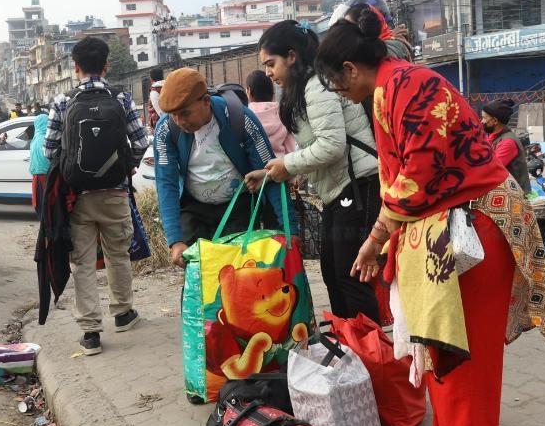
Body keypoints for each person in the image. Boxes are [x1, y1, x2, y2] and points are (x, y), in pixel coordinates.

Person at [315, 4, 545, 426]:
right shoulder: (392, 87)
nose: (337, 93)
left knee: (464, 343)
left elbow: (417, 178)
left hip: (476, 224)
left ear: (349, 69)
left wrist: (373, 239)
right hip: (445, 226)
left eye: (334, 82)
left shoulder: (411, 88)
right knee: (433, 333)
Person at [245, 20, 381, 322]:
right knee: (334, 274)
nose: (268, 72)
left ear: (292, 56)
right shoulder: (305, 88)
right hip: (341, 190)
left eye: (271, 63)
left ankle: (372, 353)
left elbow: (331, 145)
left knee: (349, 276)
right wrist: (270, 173)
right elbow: (316, 149)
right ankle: (352, 347)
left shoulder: (317, 85)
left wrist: (286, 164)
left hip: (358, 186)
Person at [43, 36, 150, 356]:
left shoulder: (63, 102)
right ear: (107, 65)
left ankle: (90, 333)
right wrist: (124, 168)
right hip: (115, 193)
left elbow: (49, 150)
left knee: (83, 263)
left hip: (78, 196)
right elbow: (141, 142)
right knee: (118, 254)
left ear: (75, 68)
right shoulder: (121, 99)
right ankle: (123, 313)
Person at [152, 67, 293, 269]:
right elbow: (166, 183)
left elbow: (270, 174)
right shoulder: (166, 128)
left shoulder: (240, 118)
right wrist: (175, 240)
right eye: (173, 115)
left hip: (237, 208)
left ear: (206, 102)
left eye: (185, 113)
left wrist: (290, 229)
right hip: (194, 210)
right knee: (199, 280)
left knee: (238, 275)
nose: (180, 121)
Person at [480, 98, 531, 195]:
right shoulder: (491, 137)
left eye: (484, 118)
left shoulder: (508, 142)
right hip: (502, 192)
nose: (482, 121)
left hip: (515, 196)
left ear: (495, 121)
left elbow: (490, 169)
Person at [244, 69, 295, 158]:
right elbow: (291, 148)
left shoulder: (244, 117)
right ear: (272, 91)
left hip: (256, 169)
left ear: (248, 91)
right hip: (280, 167)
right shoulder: (283, 113)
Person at [28, 110, 51, 219]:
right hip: (48, 176)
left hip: (38, 177)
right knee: (49, 205)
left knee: (41, 205)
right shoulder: (48, 139)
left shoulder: (36, 139)